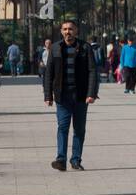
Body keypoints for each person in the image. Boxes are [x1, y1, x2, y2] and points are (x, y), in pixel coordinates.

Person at [42, 18, 99, 171]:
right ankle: (61, 159)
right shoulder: (55, 48)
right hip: (62, 96)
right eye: (65, 29)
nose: (68, 32)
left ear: (76, 31)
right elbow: (49, 74)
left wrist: (91, 93)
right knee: (63, 127)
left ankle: (75, 160)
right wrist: (48, 95)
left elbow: (93, 71)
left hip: (81, 96)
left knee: (79, 129)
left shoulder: (85, 48)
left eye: (71, 29)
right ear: (61, 32)